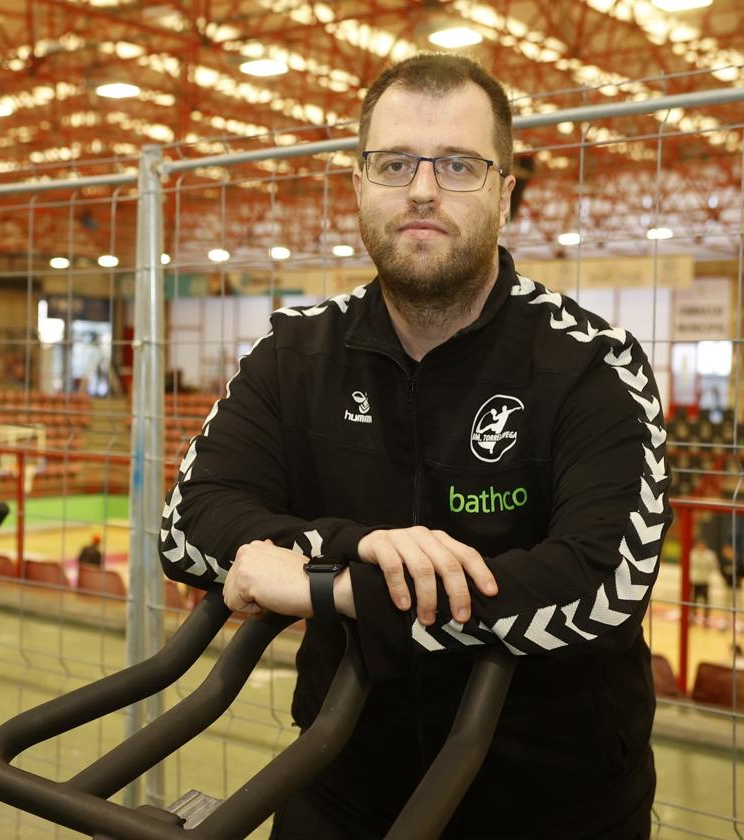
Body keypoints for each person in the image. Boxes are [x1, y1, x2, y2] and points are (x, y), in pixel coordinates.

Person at [159, 53, 671, 839]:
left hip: (555, 803)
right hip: (339, 778)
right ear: (359, 185)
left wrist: (334, 589)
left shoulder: (593, 361)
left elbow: (598, 584)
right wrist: (358, 547)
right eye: (395, 162)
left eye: (458, 165)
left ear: (504, 195)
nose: (423, 188)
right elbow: (189, 527)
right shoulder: (294, 352)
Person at [689, 537, 717, 624]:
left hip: (705, 581)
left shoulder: (710, 555)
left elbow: (713, 566)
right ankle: (693, 616)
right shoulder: (692, 554)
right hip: (695, 580)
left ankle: (706, 617)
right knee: (694, 600)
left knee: (706, 600)